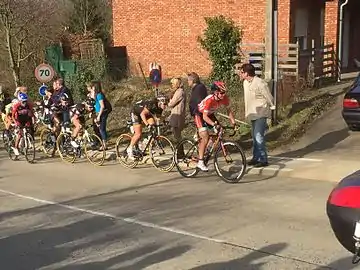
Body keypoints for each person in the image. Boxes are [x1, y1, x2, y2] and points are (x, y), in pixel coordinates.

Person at [237, 63, 275, 167]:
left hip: (260, 113)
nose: (240, 74)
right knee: (254, 137)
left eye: (242, 72)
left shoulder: (260, 83)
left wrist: (271, 106)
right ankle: (255, 157)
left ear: (246, 73)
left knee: (258, 136)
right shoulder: (245, 83)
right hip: (252, 113)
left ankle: (263, 159)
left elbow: (268, 96)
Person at [195, 81, 236, 171]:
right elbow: (204, 117)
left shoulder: (224, 98)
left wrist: (233, 122)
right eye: (221, 93)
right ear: (215, 92)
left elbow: (228, 110)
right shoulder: (210, 100)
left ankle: (207, 148)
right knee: (205, 137)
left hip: (210, 114)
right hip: (200, 115)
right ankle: (200, 162)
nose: (223, 95)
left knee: (220, 131)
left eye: (224, 92)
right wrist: (214, 124)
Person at [127, 95, 168, 159]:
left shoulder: (159, 108)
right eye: (165, 104)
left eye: (166, 104)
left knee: (152, 124)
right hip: (136, 112)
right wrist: (147, 124)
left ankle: (145, 143)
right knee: (138, 134)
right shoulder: (151, 104)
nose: (166, 106)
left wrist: (164, 121)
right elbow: (142, 114)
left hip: (146, 113)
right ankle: (129, 149)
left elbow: (158, 117)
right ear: (160, 102)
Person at [86, 81, 111, 150]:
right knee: (98, 128)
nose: (88, 88)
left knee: (102, 129)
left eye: (90, 86)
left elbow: (102, 106)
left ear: (94, 87)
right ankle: (101, 142)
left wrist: (99, 116)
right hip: (97, 112)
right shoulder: (92, 95)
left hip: (102, 113)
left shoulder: (99, 95)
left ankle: (105, 145)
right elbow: (93, 105)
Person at [167, 77, 186, 157]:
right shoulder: (178, 91)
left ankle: (180, 154)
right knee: (177, 135)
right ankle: (180, 153)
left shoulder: (179, 92)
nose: (171, 85)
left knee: (177, 136)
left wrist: (168, 102)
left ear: (176, 84)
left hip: (177, 116)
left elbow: (171, 103)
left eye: (173, 84)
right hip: (177, 115)